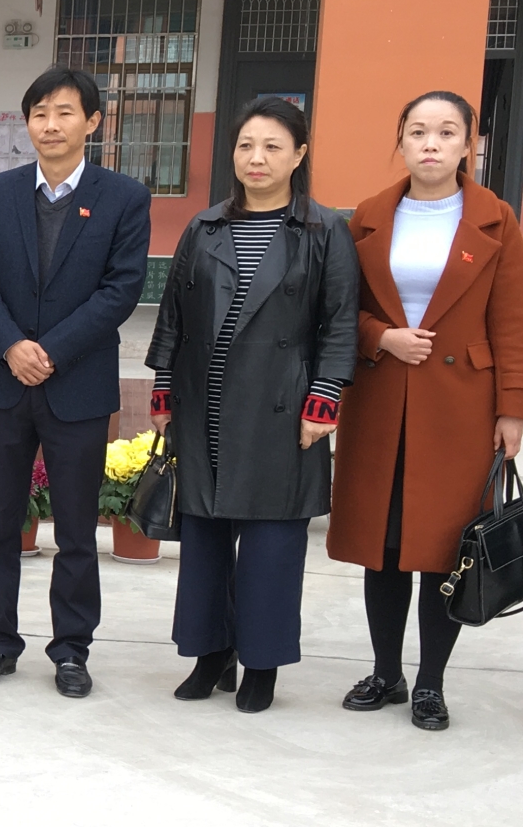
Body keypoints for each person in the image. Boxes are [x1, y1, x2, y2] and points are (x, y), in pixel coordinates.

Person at [146, 98, 356, 713]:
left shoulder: (324, 230)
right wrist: (162, 386)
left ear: (298, 154)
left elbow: (340, 322)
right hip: (204, 403)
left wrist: (324, 399)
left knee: (271, 543)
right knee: (206, 539)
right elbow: (172, 316)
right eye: (245, 146)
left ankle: (261, 662)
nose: (256, 158)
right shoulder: (205, 227)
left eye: (271, 146)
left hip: (281, 405)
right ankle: (212, 653)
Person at [329, 90, 523, 732]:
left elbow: (512, 321)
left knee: (445, 549)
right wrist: (381, 337)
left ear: (469, 143)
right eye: (417, 131)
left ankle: (431, 684)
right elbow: (340, 310)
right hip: (381, 398)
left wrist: (513, 409)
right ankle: (386, 673)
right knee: (382, 546)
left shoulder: (497, 220)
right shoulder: (367, 217)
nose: (431, 144)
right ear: (401, 142)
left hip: (462, 406)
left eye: (446, 132)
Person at [0, 66, 150, 697]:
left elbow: (121, 289)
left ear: (92, 121)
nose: (51, 124)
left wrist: (52, 352)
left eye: (65, 112)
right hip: (3, 383)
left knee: (75, 531)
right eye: (39, 113)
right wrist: (12, 345)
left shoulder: (123, 197)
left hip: (77, 387)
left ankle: (71, 650)